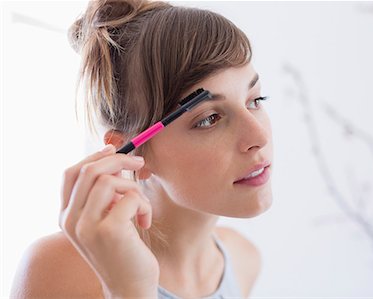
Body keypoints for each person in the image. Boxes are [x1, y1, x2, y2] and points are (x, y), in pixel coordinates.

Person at [10, 0, 274, 298]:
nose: (259, 135)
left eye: (255, 101)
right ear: (132, 151)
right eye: (209, 119)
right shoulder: (59, 270)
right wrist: (128, 291)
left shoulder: (243, 260)